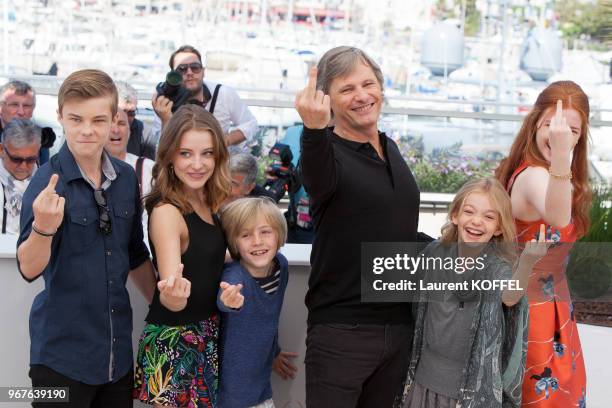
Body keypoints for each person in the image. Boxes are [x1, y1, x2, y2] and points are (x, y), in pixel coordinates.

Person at [17, 69, 157, 407]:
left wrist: (165, 310)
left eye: (98, 119)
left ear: (114, 121)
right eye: (76, 119)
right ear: (61, 117)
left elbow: (135, 253)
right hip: (60, 360)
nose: (87, 130)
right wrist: (43, 227)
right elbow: (28, 268)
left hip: (117, 357)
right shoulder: (46, 182)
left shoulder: (125, 178)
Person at [294, 46, 420, 407]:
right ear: (327, 100)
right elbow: (315, 175)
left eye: (368, 84)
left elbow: (396, 229)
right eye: (347, 89)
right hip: (342, 332)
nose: (362, 95)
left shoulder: (390, 147)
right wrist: (313, 129)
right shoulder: (326, 153)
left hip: (399, 327)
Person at [399, 178, 548, 408]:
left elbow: (510, 297)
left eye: (489, 217)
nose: (477, 221)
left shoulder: (495, 267)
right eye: (469, 211)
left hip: (468, 394)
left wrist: (527, 263)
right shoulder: (434, 253)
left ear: (498, 227)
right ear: (455, 216)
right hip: (422, 383)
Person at [495, 81, 591, 407]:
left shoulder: (548, 172)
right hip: (532, 314)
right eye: (550, 125)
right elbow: (559, 218)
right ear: (534, 123)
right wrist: (563, 153)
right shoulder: (535, 175)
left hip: (555, 309)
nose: (559, 135)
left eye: (571, 130)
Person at [133, 104, 231, 408]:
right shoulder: (166, 212)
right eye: (186, 153)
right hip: (176, 341)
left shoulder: (206, 201)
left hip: (206, 333)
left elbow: (206, 257)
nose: (198, 164)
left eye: (207, 153)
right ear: (170, 157)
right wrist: (173, 295)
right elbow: (171, 290)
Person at [217, 196, 297, 408]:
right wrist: (230, 301)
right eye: (245, 235)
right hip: (230, 393)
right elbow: (225, 299)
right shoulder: (235, 276)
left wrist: (275, 351)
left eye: (265, 232)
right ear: (234, 243)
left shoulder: (281, 265)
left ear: (279, 234)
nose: (257, 241)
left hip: (260, 383)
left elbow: (268, 319)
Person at [152, 45, 258, 148]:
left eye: (195, 67)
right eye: (182, 69)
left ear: (203, 72)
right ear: (173, 76)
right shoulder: (165, 102)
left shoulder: (223, 94)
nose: (189, 72)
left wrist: (224, 141)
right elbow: (161, 150)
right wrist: (166, 120)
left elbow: (251, 124)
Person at [105, 106, 155, 237]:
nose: (116, 130)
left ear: (129, 131)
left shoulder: (148, 168)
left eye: (121, 123)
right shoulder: (86, 170)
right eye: (110, 123)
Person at [0, 119, 41, 234]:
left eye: (31, 159)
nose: (23, 166)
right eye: (16, 159)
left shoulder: (48, 181)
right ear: (1, 150)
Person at [0, 80, 53, 164]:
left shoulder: (40, 137)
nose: (21, 112)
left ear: (32, 110)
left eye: (26, 106)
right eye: (14, 105)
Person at [115, 81, 157, 160]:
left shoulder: (145, 133)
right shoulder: (99, 129)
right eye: (122, 111)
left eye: (131, 112)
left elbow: (149, 168)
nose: (125, 117)